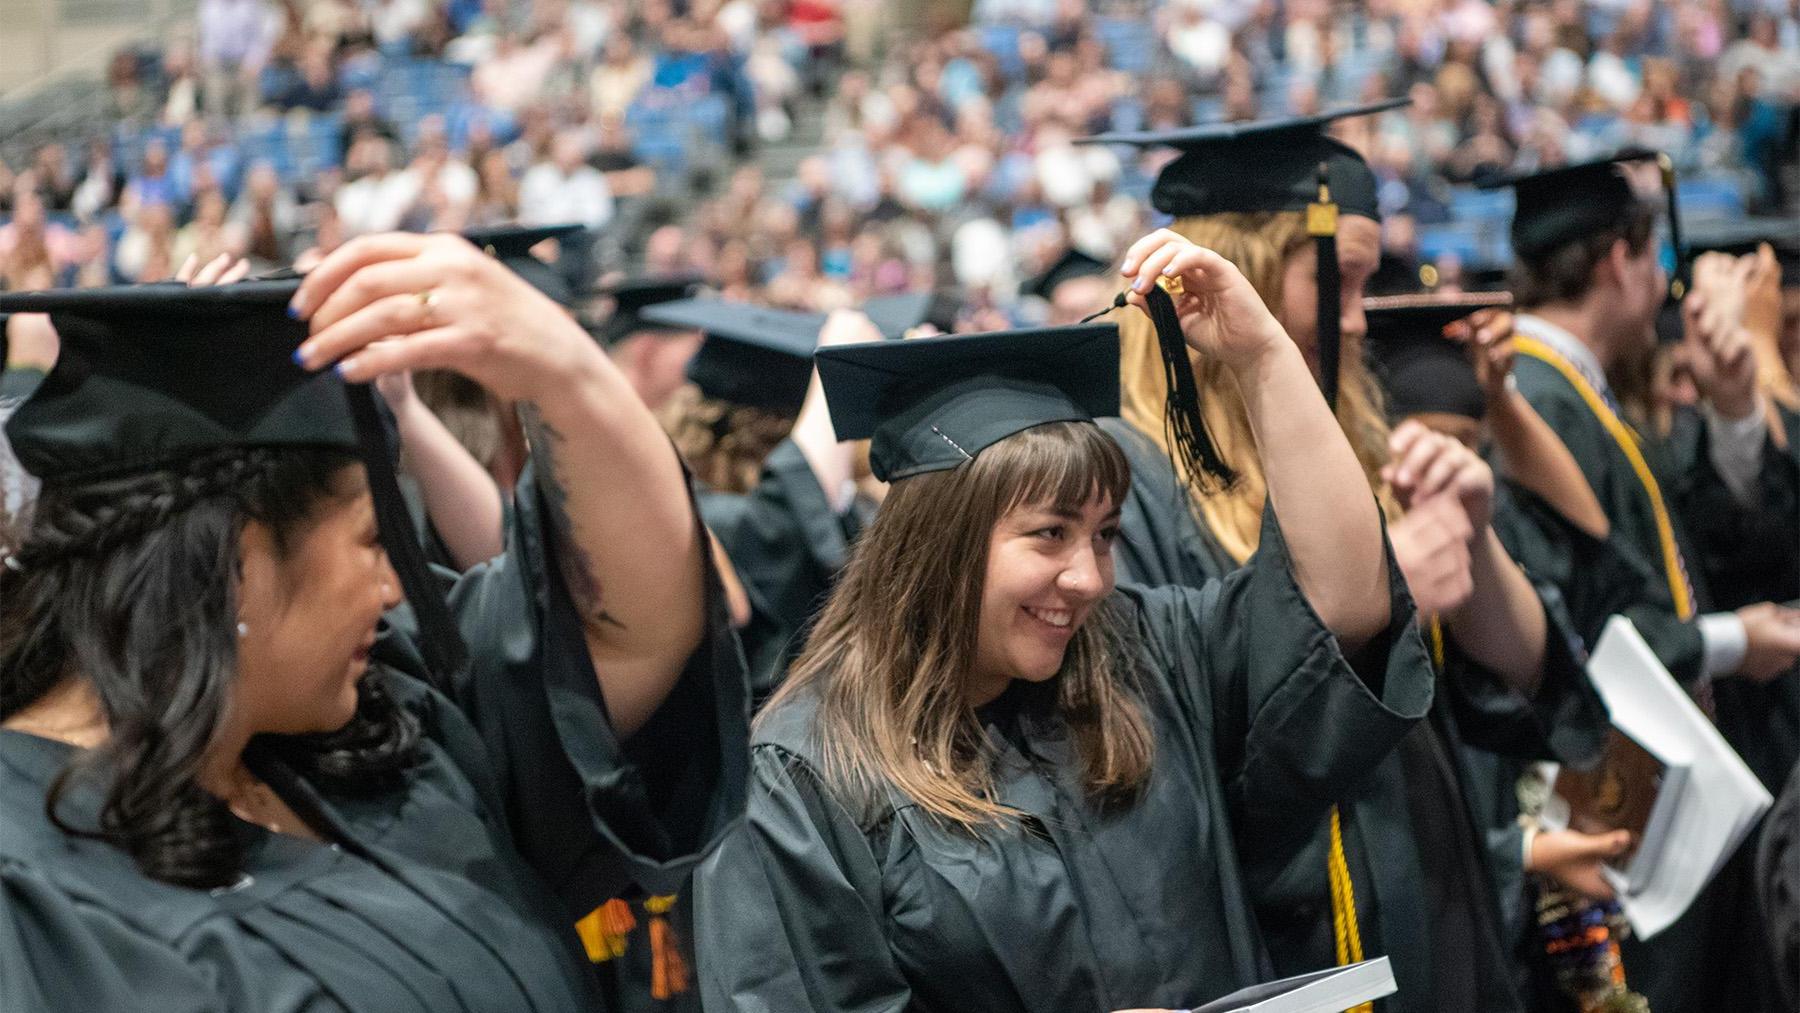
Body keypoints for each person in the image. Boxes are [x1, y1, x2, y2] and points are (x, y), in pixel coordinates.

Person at [0, 231, 748, 1010]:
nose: (396, 585)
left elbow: (637, 628)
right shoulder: (31, 899)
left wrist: (566, 375)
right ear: (238, 558)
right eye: (370, 539)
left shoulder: (375, 736)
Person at [694, 230, 1436, 1012]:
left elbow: (1342, 605)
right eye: (1049, 533)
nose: (1088, 577)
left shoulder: (1143, 654)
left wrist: (1264, 358)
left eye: (1105, 534)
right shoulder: (806, 777)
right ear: (939, 545)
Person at [1088, 101, 1603, 1013]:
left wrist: (1474, 541)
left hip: (1434, 882)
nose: (1363, 322)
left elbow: (1526, 679)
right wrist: (1380, 577)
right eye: (1349, 280)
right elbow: (1161, 757)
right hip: (1290, 932)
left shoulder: (1361, 441)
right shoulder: (1126, 482)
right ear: (1243, 273)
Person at [1483, 150, 1800, 1011]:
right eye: (1654, 258)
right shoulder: (1538, 403)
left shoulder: (1574, 393)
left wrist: (1735, 406)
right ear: (1620, 260)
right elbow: (1578, 621)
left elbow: (1675, 553)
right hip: (1612, 799)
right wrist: (1735, 641)